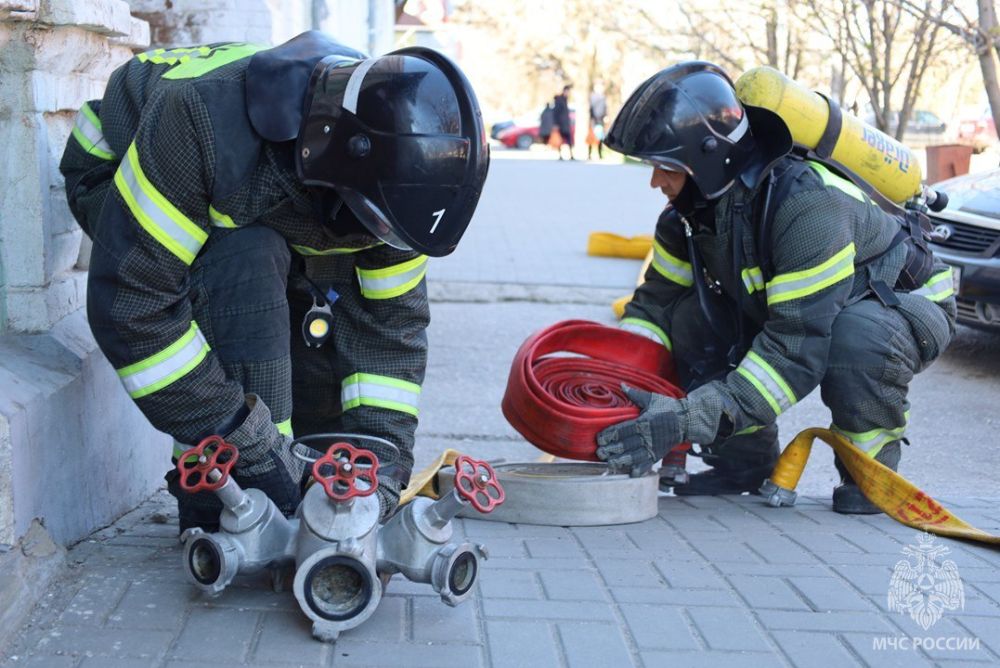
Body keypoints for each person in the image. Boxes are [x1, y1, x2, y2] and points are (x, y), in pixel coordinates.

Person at [59, 31, 489, 532]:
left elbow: (388, 332)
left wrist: (381, 459)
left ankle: (277, 466)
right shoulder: (199, 123)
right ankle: (216, 500)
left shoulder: (395, 182)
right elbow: (133, 306)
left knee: (320, 326)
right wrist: (244, 444)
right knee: (244, 265)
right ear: (334, 170)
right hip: (122, 172)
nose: (385, 242)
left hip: (286, 187)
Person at [595, 62, 956, 514]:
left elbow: (793, 352)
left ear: (707, 158)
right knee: (692, 319)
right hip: (815, 308)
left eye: (666, 167)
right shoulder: (687, 218)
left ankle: (870, 470)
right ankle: (742, 463)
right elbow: (655, 306)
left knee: (854, 339)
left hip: (900, 301)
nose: (655, 182)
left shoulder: (805, 211)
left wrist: (686, 420)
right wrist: (615, 382)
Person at [553, 84, 574, 160]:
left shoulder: (565, 100)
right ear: (565, 91)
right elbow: (556, 112)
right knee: (560, 140)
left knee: (569, 140)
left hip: (566, 123)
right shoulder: (559, 100)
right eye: (567, 91)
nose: (568, 93)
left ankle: (571, 155)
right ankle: (560, 155)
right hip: (561, 124)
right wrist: (556, 124)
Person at [587, 84, 607, 160]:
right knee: (591, 137)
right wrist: (591, 119)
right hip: (594, 120)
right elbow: (591, 109)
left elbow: (605, 108)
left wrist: (605, 116)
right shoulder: (593, 98)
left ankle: (600, 154)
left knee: (600, 137)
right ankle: (589, 154)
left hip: (600, 120)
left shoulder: (603, 98)